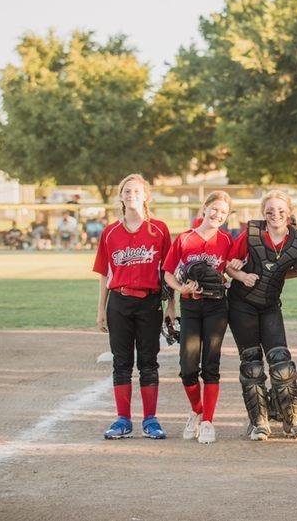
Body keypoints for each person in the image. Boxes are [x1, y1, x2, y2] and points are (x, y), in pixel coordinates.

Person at [226, 190, 297, 441]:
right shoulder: (250, 235)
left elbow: (296, 268)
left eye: (280, 210)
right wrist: (242, 275)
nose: (275, 214)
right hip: (242, 305)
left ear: (290, 212)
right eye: (269, 211)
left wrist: (275, 275)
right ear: (263, 214)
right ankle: (259, 422)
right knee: (252, 365)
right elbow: (229, 265)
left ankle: (292, 419)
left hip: (270, 305)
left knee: (281, 361)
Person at [93, 174, 173, 440]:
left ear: (146, 196)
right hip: (119, 302)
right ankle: (123, 419)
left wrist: (171, 306)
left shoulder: (159, 229)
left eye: (136, 191)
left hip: (149, 302)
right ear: (121, 196)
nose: (131, 195)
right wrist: (101, 309)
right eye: (127, 191)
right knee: (122, 363)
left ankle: (150, 419)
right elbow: (105, 273)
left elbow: (169, 272)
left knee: (149, 362)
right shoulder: (110, 232)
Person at [163, 191, 234, 444]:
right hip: (191, 307)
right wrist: (181, 289)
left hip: (216, 307)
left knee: (211, 365)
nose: (217, 215)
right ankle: (197, 410)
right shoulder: (184, 239)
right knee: (188, 368)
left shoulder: (226, 240)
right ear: (204, 209)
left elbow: (231, 270)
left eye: (223, 213)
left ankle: (208, 422)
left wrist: (228, 277)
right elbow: (168, 273)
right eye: (214, 209)